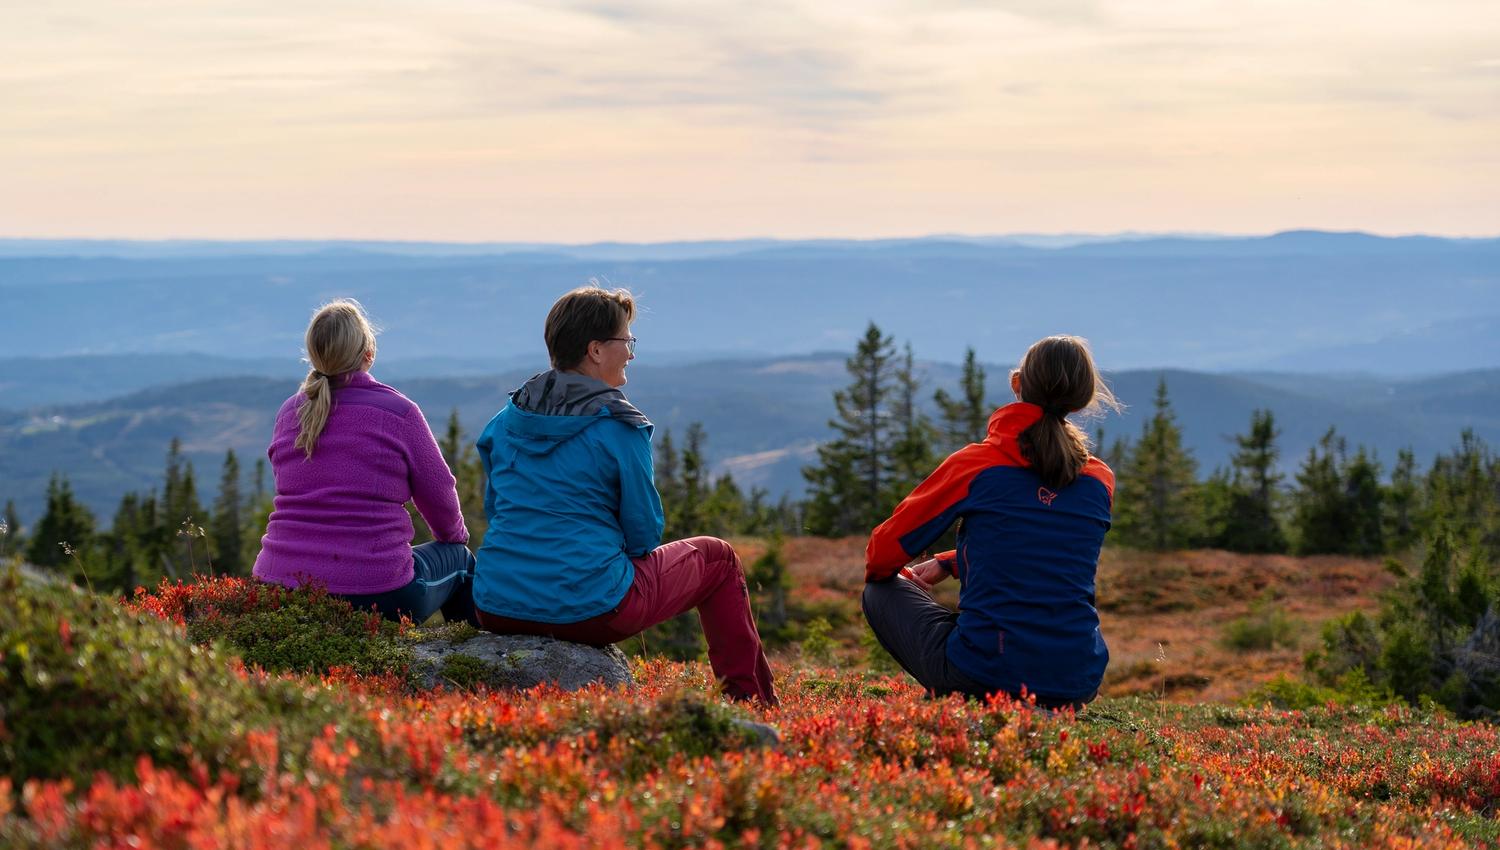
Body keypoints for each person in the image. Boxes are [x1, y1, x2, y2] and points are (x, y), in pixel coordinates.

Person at [471, 285, 778, 706]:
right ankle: (752, 703)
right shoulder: (619, 427)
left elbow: (497, 511)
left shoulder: (504, 422)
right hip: (594, 610)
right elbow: (643, 534)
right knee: (718, 559)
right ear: (596, 350)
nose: (631, 353)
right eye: (626, 341)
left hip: (496, 605)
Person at [863, 335, 1120, 710]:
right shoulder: (1099, 480)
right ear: (1082, 399)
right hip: (1076, 681)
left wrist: (932, 564)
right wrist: (951, 562)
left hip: (985, 675)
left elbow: (882, 555)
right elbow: (1042, 544)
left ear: (1017, 384)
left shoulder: (978, 465)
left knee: (878, 590)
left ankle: (957, 698)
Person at [252, 299, 478, 625]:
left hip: (278, 586)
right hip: (376, 592)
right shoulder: (397, 412)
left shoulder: (290, 411)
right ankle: (471, 660)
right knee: (459, 560)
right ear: (368, 354)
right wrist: (453, 536)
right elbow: (438, 488)